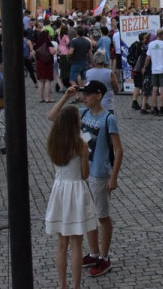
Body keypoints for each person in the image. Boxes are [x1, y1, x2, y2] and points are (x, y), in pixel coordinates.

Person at [48, 81, 123, 278]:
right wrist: (65, 96)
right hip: (82, 173)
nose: (84, 97)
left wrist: (113, 177)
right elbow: (53, 116)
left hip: (99, 173)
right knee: (90, 216)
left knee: (102, 215)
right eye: (83, 94)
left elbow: (118, 149)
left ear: (99, 96)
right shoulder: (82, 113)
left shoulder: (108, 118)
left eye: (88, 94)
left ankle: (104, 257)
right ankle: (93, 253)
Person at [44, 101, 98, 289]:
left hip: (59, 190)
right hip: (76, 191)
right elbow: (84, 174)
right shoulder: (80, 145)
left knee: (61, 244)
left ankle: (62, 284)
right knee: (76, 244)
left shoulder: (53, 144)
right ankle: (76, 285)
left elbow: (56, 169)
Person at [142, 29, 163, 116]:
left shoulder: (151, 44)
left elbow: (148, 58)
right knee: (162, 88)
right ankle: (162, 108)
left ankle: (154, 108)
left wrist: (144, 67)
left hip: (154, 69)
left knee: (154, 89)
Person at [68, 27, 92, 101]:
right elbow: (89, 53)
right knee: (84, 79)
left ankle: (76, 95)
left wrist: (68, 55)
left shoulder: (74, 41)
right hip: (84, 61)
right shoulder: (87, 41)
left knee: (72, 79)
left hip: (76, 62)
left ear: (76, 33)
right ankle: (84, 96)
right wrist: (90, 61)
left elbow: (71, 52)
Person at [35, 30, 57, 103]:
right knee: (47, 80)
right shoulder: (48, 44)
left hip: (39, 63)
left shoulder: (38, 44)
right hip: (47, 63)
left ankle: (41, 98)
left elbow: (34, 55)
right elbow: (53, 52)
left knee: (41, 81)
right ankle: (48, 98)